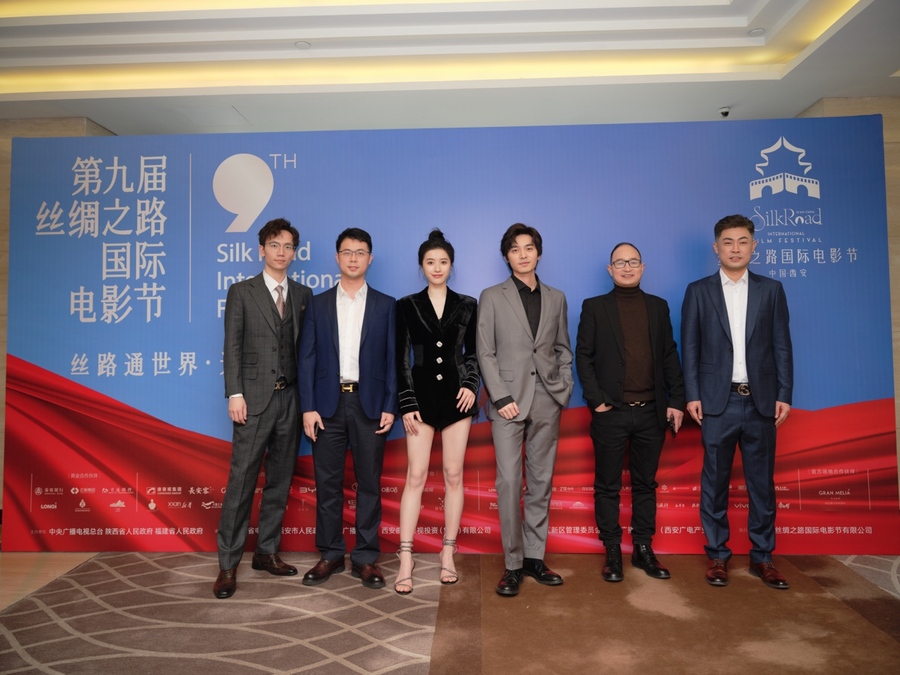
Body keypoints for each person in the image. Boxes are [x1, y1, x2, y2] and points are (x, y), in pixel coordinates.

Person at [681, 214, 793, 590]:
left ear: (753, 246)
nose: (735, 248)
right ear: (716, 248)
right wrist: (692, 394)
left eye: (743, 241)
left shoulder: (771, 290)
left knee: (762, 485)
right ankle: (717, 555)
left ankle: (763, 557)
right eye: (728, 242)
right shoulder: (699, 291)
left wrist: (784, 393)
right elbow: (690, 348)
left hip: (761, 401)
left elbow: (782, 345)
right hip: (718, 401)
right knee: (714, 483)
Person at [214, 218, 312, 599]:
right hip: (253, 400)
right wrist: (234, 393)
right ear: (261, 250)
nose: (281, 252)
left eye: (288, 246)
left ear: (294, 252)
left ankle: (266, 552)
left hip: (291, 399)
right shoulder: (242, 291)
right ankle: (227, 564)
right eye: (274, 245)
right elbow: (232, 346)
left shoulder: (303, 294)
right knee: (241, 482)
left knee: (279, 481)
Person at [575, 242, 685, 583]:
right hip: (611, 413)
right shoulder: (595, 307)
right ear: (610, 270)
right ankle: (612, 550)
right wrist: (597, 401)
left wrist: (677, 400)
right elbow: (583, 357)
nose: (626, 267)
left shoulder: (658, 307)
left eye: (632, 261)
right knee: (607, 485)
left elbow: (669, 355)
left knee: (645, 484)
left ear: (642, 267)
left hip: (652, 412)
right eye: (620, 263)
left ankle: (643, 548)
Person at [476, 222, 574, 597]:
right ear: (507, 256)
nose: (523, 254)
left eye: (529, 248)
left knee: (541, 482)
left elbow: (562, 348)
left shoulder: (556, 297)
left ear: (538, 253)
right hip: (507, 403)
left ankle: (535, 557)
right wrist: (500, 397)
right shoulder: (492, 296)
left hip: (547, 399)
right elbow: (485, 351)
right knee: (509, 483)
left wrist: (563, 387)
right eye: (515, 249)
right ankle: (513, 563)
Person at [298, 228, 398, 590]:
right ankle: (330, 554)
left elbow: (393, 359)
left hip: (370, 404)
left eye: (360, 252)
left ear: (370, 258)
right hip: (327, 406)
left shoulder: (387, 305)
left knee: (369, 483)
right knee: (328, 484)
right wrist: (308, 407)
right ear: (336, 257)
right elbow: (306, 359)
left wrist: (390, 404)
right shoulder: (318, 303)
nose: (353, 258)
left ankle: (366, 558)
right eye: (347, 252)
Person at [394, 229, 480, 594]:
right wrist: (407, 402)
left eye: (443, 262)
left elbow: (473, 353)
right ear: (421, 266)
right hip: (421, 398)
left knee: (453, 474)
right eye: (430, 262)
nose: (437, 267)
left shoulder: (468, 304)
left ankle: (448, 552)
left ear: (451, 265)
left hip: (458, 399)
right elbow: (401, 359)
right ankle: (406, 556)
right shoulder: (406, 305)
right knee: (415, 475)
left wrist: (471, 385)